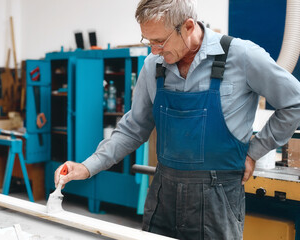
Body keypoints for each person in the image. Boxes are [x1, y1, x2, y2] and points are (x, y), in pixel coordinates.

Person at [55, 0, 300, 239]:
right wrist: (87, 167)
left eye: (159, 41)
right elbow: (133, 128)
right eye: (148, 41)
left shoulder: (242, 56)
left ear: (189, 26)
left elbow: (294, 102)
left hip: (218, 197)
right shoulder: (153, 66)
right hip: (164, 193)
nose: (153, 50)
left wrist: (254, 151)